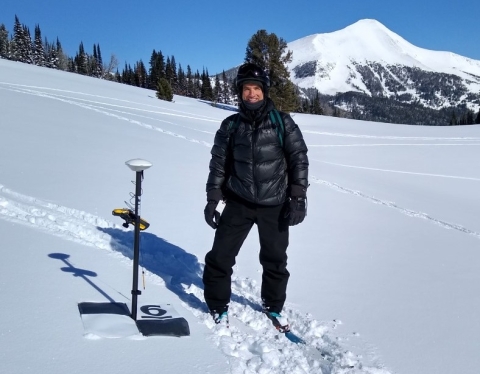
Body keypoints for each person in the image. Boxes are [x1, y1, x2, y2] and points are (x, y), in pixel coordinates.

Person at [202, 62, 309, 330]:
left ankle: (273, 307)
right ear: (240, 92)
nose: (251, 94)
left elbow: (298, 159)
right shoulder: (230, 125)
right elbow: (218, 163)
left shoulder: (282, 122)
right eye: (246, 88)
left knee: (275, 260)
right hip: (238, 202)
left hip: (275, 204)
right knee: (220, 256)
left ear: (264, 91)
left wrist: (298, 197)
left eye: (256, 88)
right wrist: (213, 198)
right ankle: (217, 305)